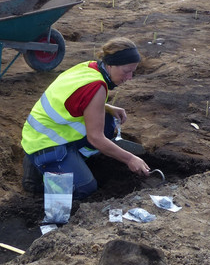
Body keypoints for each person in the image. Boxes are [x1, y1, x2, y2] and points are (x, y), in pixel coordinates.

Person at [20, 37, 150, 199]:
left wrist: (107, 107)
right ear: (111, 65)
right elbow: (96, 139)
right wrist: (130, 159)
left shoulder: (90, 67)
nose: (129, 77)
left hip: (41, 134)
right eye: (126, 71)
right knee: (85, 188)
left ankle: (68, 162)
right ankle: (40, 174)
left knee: (108, 122)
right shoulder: (96, 87)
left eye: (133, 71)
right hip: (44, 144)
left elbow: (76, 100)